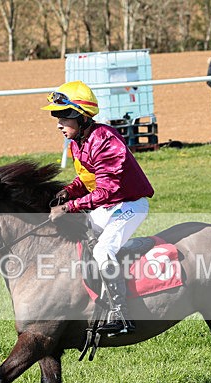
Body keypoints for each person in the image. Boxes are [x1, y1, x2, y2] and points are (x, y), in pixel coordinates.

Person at [44, 80, 155, 336]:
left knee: (104, 248)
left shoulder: (106, 140)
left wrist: (69, 207)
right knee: (80, 237)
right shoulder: (77, 143)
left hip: (129, 204)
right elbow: (87, 180)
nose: (59, 124)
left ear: (81, 118)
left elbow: (106, 190)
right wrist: (67, 191)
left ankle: (122, 315)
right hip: (109, 205)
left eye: (64, 118)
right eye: (56, 117)